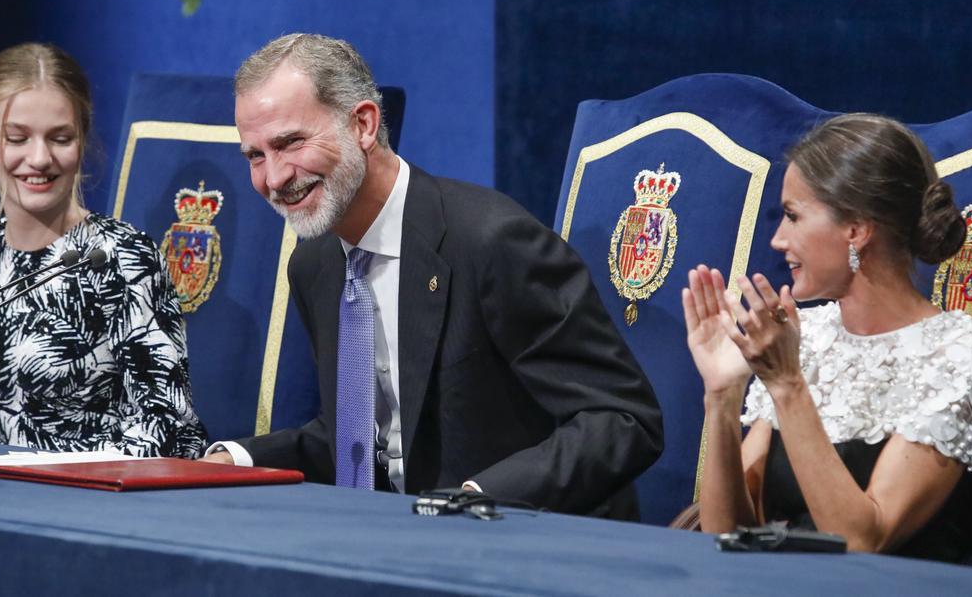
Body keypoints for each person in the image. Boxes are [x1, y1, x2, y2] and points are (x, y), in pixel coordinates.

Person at [201, 33, 662, 517]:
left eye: (290, 143)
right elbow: (367, 439)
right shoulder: (315, 264)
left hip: (517, 547)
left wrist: (479, 497)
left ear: (362, 124)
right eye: (255, 156)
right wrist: (234, 459)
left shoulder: (491, 242)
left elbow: (623, 419)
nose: (273, 179)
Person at [685, 113, 972, 561]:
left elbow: (861, 543)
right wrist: (723, 396)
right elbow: (725, 532)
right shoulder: (806, 335)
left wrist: (788, 385)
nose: (776, 239)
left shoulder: (965, 358)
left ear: (856, 230)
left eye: (792, 216)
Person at [0, 42, 207, 458]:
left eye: (60, 138)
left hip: (91, 505)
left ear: (81, 140)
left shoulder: (120, 257)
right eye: (17, 138)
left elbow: (166, 429)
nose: (40, 158)